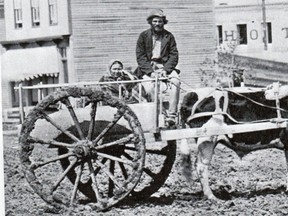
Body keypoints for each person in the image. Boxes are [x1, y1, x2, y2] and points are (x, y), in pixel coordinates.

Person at [134, 9, 181, 126]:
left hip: (165, 67)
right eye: (155, 21)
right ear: (150, 22)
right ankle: (161, 114)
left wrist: (166, 70)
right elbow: (140, 57)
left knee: (176, 81)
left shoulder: (169, 36)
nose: (157, 24)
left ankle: (172, 114)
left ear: (163, 22)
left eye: (160, 21)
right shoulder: (143, 36)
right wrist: (151, 72)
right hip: (148, 68)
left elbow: (174, 55)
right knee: (150, 88)